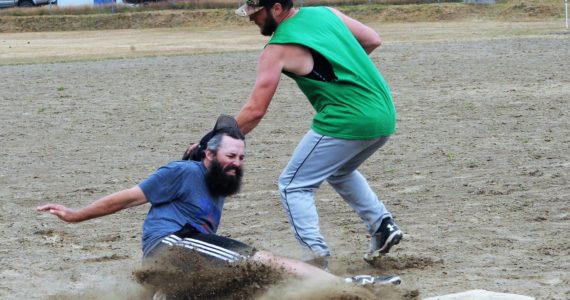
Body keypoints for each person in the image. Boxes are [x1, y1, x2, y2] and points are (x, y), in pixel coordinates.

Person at [37, 116, 400, 298]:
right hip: (175, 244)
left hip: (190, 256)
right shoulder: (182, 172)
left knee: (246, 285)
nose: (236, 162)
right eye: (230, 155)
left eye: (241, 157)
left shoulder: (217, 180)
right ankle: (346, 287)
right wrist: (75, 215)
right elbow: (126, 198)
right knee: (262, 262)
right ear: (209, 153)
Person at [229, 0, 404, 266]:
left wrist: (218, 138)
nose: (251, 19)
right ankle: (382, 225)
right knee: (339, 171)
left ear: (276, 8)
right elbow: (372, 39)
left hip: (347, 119)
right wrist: (344, 67)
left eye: (256, 13)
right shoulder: (326, 13)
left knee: (293, 185)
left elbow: (255, 111)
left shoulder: (276, 50)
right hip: (383, 113)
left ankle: (316, 257)